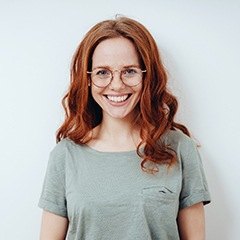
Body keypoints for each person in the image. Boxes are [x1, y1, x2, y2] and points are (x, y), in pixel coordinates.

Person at [38, 16, 211, 240]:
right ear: (88, 79)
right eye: (102, 72)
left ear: (147, 76)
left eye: (129, 71)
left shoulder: (180, 149)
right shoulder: (65, 156)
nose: (117, 84)